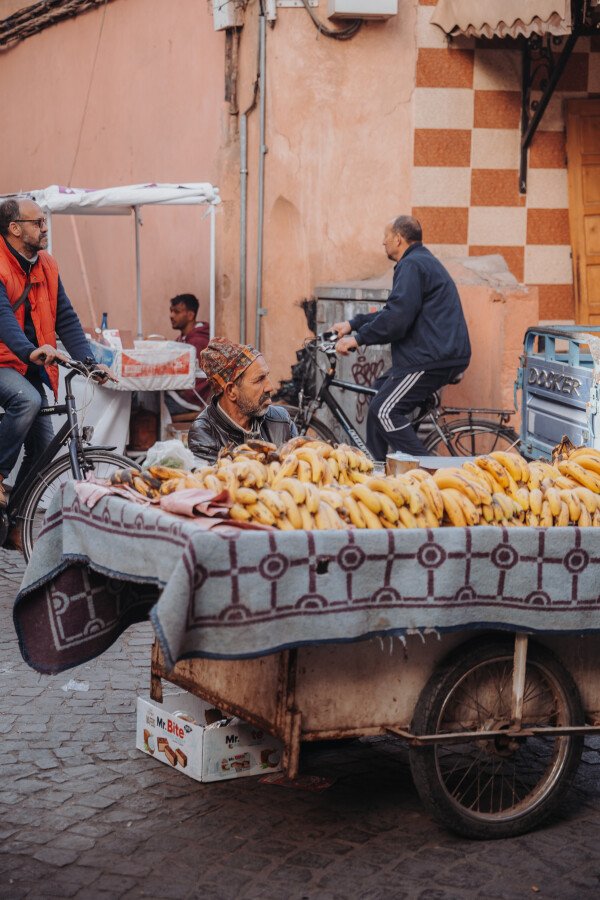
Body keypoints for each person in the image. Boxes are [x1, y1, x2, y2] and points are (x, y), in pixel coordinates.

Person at [0, 197, 111, 534]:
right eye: (38, 222)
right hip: (8, 358)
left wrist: (89, 363)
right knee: (27, 401)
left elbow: (65, 317)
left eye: (44, 221)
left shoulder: (47, 264)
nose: (45, 227)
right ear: (15, 228)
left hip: (29, 365)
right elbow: (2, 317)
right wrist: (27, 350)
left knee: (44, 448)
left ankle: (11, 522)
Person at [333, 215, 471, 461]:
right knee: (379, 395)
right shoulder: (419, 262)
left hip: (431, 357)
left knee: (383, 411)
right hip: (431, 353)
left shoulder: (413, 265)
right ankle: (376, 468)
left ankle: (432, 471)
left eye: (386, 237)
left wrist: (358, 339)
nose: (382, 242)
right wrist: (352, 324)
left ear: (398, 238)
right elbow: (394, 311)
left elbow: (396, 320)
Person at [188, 337, 297, 464]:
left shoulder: (281, 420)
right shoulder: (204, 433)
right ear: (231, 391)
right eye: (259, 379)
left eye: (266, 376)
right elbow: (219, 481)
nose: (269, 387)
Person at [165, 293, 211, 417]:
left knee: (151, 405)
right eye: (171, 311)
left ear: (190, 315)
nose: (171, 316)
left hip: (190, 401)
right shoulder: (182, 339)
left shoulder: (197, 342)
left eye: (177, 312)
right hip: (178, 395)